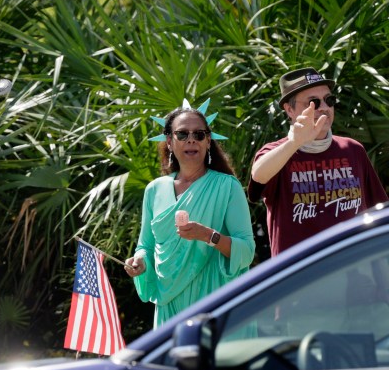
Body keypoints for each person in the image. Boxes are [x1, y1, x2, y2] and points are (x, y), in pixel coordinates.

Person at [124, 102, 255, 327]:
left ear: (208, 141)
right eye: (182, 134)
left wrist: (208, 235)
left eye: (199, 134)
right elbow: (145, 245)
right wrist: (139, 262)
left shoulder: (227, 186)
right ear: (169, 142)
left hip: (216, 303)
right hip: (169, 305)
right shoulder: (154, 190)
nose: (191, 139)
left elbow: (247, 251)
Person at [249, 67, 388, 257]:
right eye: (313, 102)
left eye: (329, 100)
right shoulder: (277, 153)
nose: (324, 107)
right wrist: (296, 142)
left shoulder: (353, 150)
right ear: (289, 109)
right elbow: (258, 177)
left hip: (356, 273)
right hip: (303, 277)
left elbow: (379, 211)